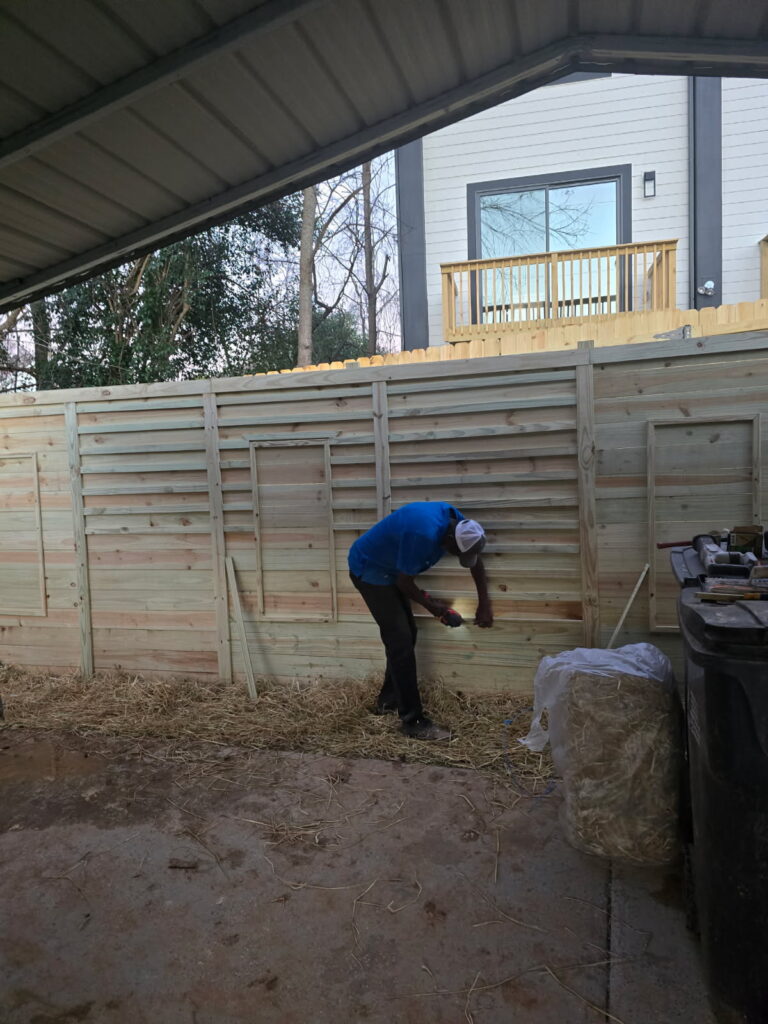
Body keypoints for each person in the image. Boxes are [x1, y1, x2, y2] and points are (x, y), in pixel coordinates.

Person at [348, 501, 493, 741]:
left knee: (405, 637)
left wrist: (484, 604)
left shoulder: (460, 523)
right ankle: (413, 722)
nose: (454, 557)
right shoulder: (423, 536)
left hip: (392, 568)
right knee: (401, 641)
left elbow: (475, 561)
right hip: (370, 569)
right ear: (449, 540)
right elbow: (405, 583)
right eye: (455, 553)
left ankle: (389, 701)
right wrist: (437, 609)